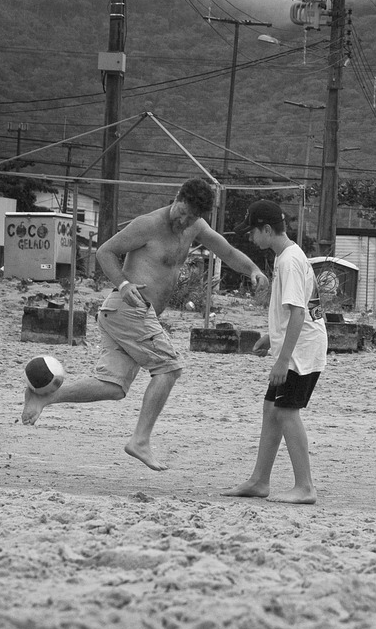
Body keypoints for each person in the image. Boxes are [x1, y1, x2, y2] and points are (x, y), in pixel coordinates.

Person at [21, 178, 268, 472]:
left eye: (191, 217)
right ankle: (140, 441)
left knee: (113, 388)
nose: (183, 219)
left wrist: (253, 269)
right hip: (129, 310)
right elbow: (104, 252)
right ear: (176, 196)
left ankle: (43, 397)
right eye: (182, 211)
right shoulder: (147, 224)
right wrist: (123, 283)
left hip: (126, 315)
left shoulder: (195, 227)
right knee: (170, 368)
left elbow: (226, 252)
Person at [222, 199, 328, 504]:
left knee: (285, 411)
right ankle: (259, 481)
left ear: (267, 229)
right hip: (297, 346)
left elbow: (298, 314)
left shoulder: (288, 261)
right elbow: (300, 308)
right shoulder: (287, 256)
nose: (251, 238)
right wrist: (272, 336)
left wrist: (282, 360)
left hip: (301, 353)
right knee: (271, 408)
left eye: (253, 232)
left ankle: (305, 487)